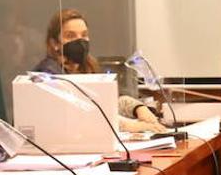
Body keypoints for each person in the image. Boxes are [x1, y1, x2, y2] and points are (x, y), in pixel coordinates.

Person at [34, 8, 166, 133]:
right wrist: (131, 126)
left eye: (84, 35)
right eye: (70, 36)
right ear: (54, 43)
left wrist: (138, 108)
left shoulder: (89, 66)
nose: (79, 41)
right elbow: (83, 115)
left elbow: (110, 100)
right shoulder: (48, 73)